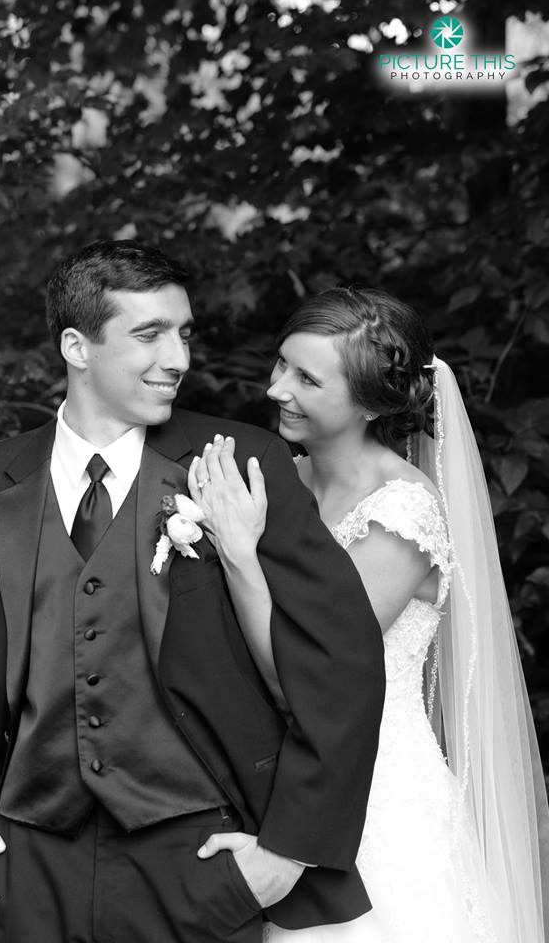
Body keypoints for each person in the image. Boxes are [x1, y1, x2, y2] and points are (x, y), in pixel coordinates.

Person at [0, 242, 385, 943]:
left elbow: (344, 662)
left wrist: (289, 851)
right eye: (149, 334)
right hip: (27, 865)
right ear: (77, 346)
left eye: (184, 333)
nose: (177, 358)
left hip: (199, 859)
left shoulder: (243, 461)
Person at [190, 287, 549, 943]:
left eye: (306, 379)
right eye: (281, 364)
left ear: (368, 402)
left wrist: (239, 554)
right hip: (267, 783)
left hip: (374, 802)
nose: (275, 389)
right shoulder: (277, 481)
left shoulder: (402, 516)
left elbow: (305, 677)